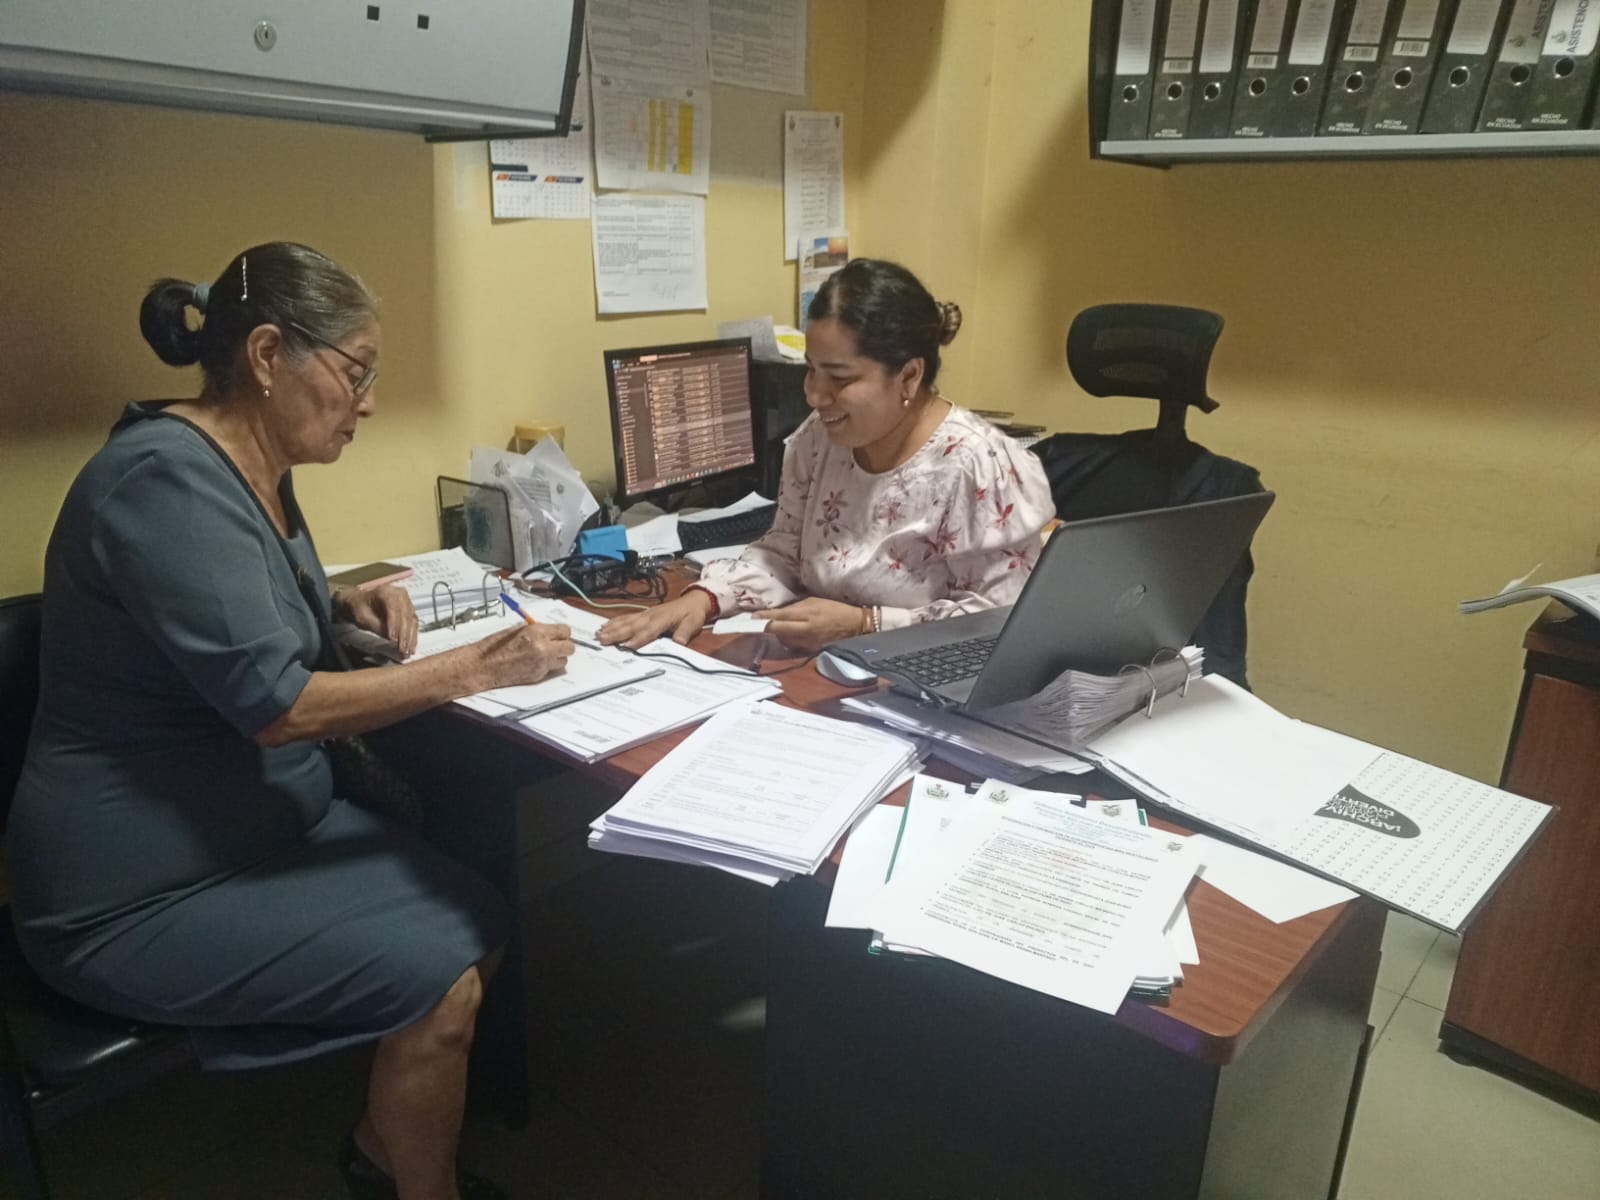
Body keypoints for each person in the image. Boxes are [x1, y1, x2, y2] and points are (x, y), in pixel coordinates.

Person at [6, 242, 573, 1200]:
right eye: (357, 372)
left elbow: (226, 611)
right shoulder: (161, 481)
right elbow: (278, 707)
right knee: (443, 969)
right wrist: (476, 668)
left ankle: (381, 1152)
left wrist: (336, 606)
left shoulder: (252, 468)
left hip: (258, 831)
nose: (369, 403)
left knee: (475, 911)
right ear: (269, 355)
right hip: (135, 890)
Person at [599, 258, 1055, 653]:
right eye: (811, 370)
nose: (815, 395)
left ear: (909, 376)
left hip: (929, 692)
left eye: (839, 377)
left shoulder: (978, 466)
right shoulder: (819, 440)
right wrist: (705, 598)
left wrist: (865, 624)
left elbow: (998, 622)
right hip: (826, 671)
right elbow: (784, 551)